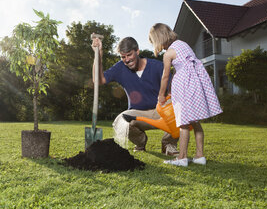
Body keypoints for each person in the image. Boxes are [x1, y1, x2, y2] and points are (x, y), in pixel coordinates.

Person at [149, 23, 222, 167]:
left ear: (158, 39)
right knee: (195, 122)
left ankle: (182, 158)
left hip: (184, 86)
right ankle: (200, 156)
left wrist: (161, 95)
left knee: (183, 124)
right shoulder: (183, 44)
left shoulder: (168, 53)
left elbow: (165, 76)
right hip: (196, 84)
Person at [91, 36, 178, 155]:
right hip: (138, 113)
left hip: (161, 111)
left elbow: (172, 91)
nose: (126, 60)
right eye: (123, 57)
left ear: (137, 51)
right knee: (120, 121)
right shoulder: (120, 68)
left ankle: (168, 144)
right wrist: (98, 54)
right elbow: (98, 80)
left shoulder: (157, 66)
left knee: (178, 107)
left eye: (129, 55)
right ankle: (140, 142)